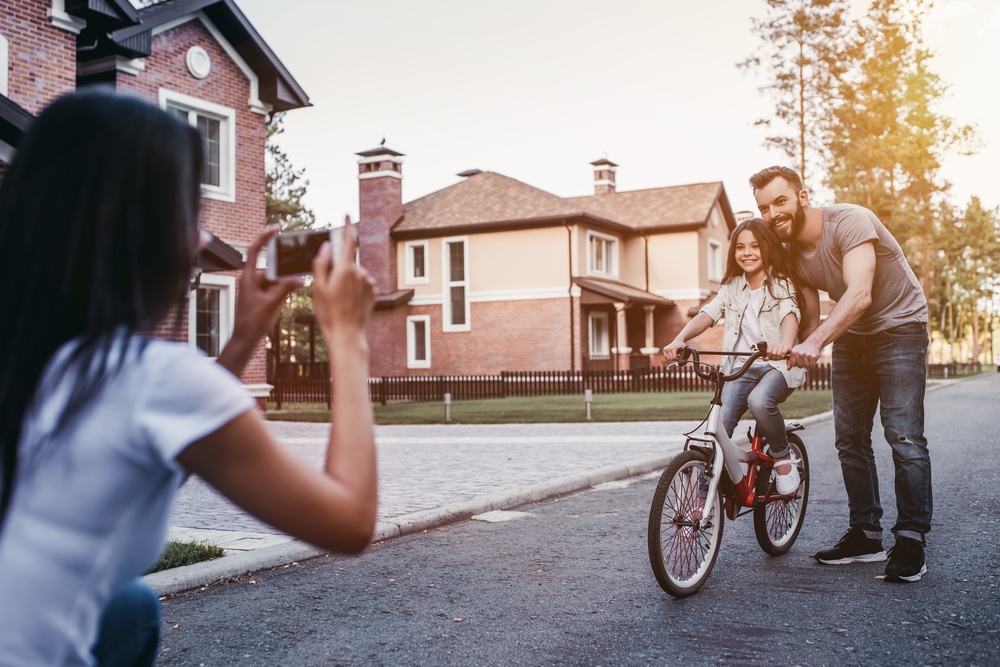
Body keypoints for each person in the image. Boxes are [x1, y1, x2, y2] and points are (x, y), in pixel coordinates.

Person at [0, 89, 379, 665]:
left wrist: (245, 335)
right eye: (191, 213)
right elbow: (349, 521)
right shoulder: (151, 378)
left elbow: (138, 460)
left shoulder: (34, 356)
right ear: (138, 231)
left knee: (128, 606)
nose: (203, 240)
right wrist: (348, 338)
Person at [750, 165, 931, 583]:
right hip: (853, 333)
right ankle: (866, 534)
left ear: (802, 196)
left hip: (901, 327)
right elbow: (811, 317)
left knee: (902, 435)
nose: (773, 213)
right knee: (849, 437)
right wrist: (786, 352)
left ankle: (910, 538)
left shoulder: (849, 220)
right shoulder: (789, 251)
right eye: (764, 207)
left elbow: (860, 293)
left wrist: (816, 344)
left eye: (780, 201)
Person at [664, 218, 806, 494]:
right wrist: (679, 339)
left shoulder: (781, 285)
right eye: (740, 247)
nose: (747, 252)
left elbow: (790, 315)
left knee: (760, 401)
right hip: (740, 368)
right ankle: (710, 482)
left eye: (755, 246)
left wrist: (786, 344)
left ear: (768, 249)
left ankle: (782, 457)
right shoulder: (731, 287)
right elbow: (708, 314)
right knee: (718, 422)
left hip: (776, 366)